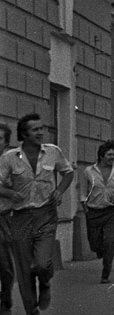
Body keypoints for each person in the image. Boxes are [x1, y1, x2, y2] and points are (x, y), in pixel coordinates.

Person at [0, 113, 74, 314]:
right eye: (35, 129)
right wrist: (10, 193)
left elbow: (68, 172)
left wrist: (59, 191)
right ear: (24, 134)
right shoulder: (9, 158)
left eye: (42, 128)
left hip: (45, 215)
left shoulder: (53, 152)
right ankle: (31, 310)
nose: (41, 132)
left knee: (42, 263)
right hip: (20, 217)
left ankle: (45, 283)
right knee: (24, 270)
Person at [82, 141, 114, 283]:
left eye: (113, 155)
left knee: (109, 241)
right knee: (94, 244)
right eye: (109, 155)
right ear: (101, 156)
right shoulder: (88, 171)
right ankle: (101, 251)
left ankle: (105, 273)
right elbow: (83, 192)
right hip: (93, 212)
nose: (112, 157)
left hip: (111, 211)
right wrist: (85, 208)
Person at [0, 124, 15, 315]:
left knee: (4, 264)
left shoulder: (12, 163)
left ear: (6, 142)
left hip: (4, 217)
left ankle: (5, 299)